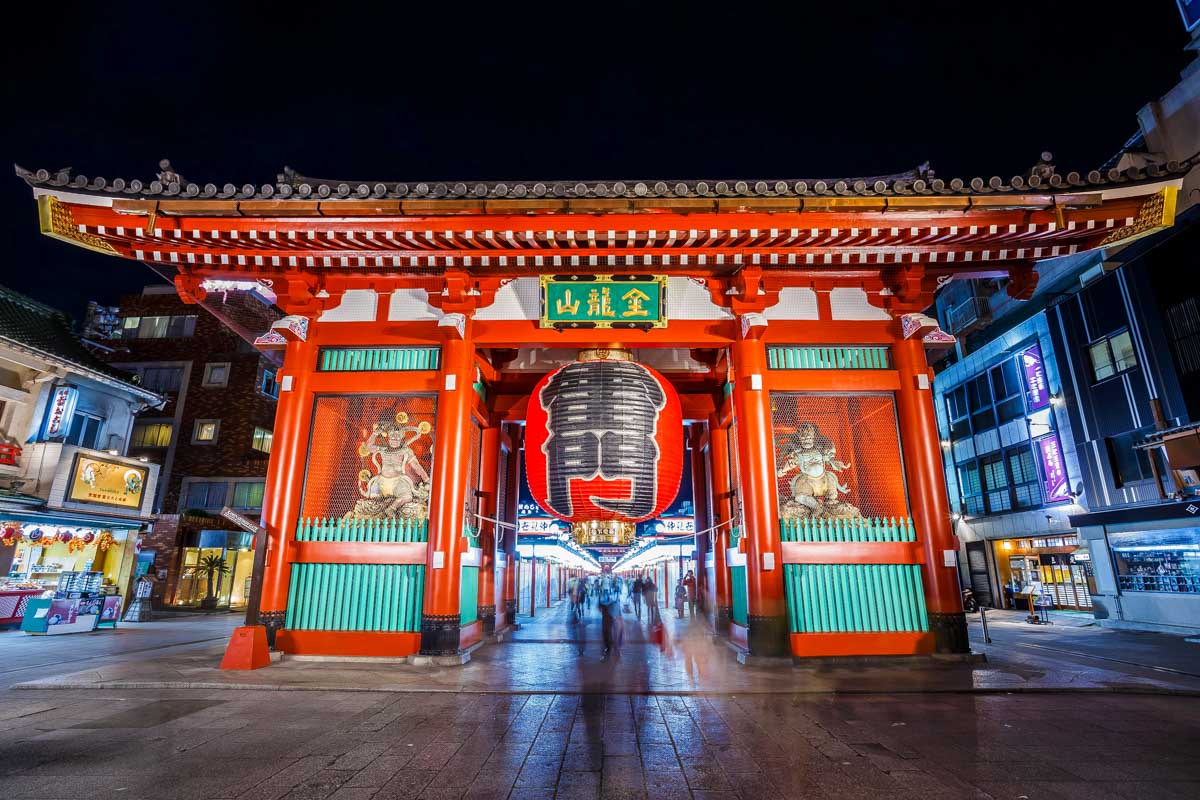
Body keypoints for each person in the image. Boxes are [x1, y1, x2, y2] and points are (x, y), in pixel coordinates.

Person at [598, 574, 623, 660]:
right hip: (610, 616)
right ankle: (614, 649)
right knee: (610, 633)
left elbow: (602, 604)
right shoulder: (612, 595)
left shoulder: (610, 595)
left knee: (609, 633)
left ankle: (610, 650)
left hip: (609, 617)